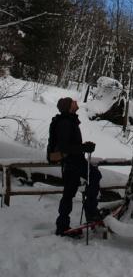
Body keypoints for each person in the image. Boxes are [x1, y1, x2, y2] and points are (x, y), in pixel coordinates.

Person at [49, 97, 102, 236]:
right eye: (72, 102)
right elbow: (65, 147)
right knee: (93, 177)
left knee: (69, 192)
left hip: (73, 162)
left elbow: (70, 144)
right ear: (68, 107)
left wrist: (84, 146)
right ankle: (90, 210)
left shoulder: (69, 120)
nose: (75, 102)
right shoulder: (65, 122)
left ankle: (63, 225)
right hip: (72, 162)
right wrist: (84, 148)